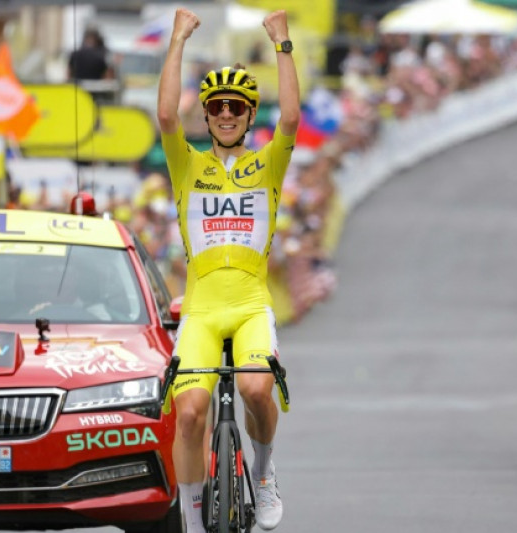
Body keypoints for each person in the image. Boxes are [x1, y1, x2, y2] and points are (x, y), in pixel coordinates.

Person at [157, 8, 299, 532]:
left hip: (248, 307)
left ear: (247, 114)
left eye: (235, 106)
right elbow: (167, 117)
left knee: (257, 390)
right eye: (216, 106)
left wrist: (282, 42)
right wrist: (178, 41)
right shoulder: (187, 165)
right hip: (201, 308)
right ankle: (193, 523)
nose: (224, 113)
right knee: (190, 412)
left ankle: (263, 475)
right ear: (208, 114)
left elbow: (290, 119)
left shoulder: (268, 163)